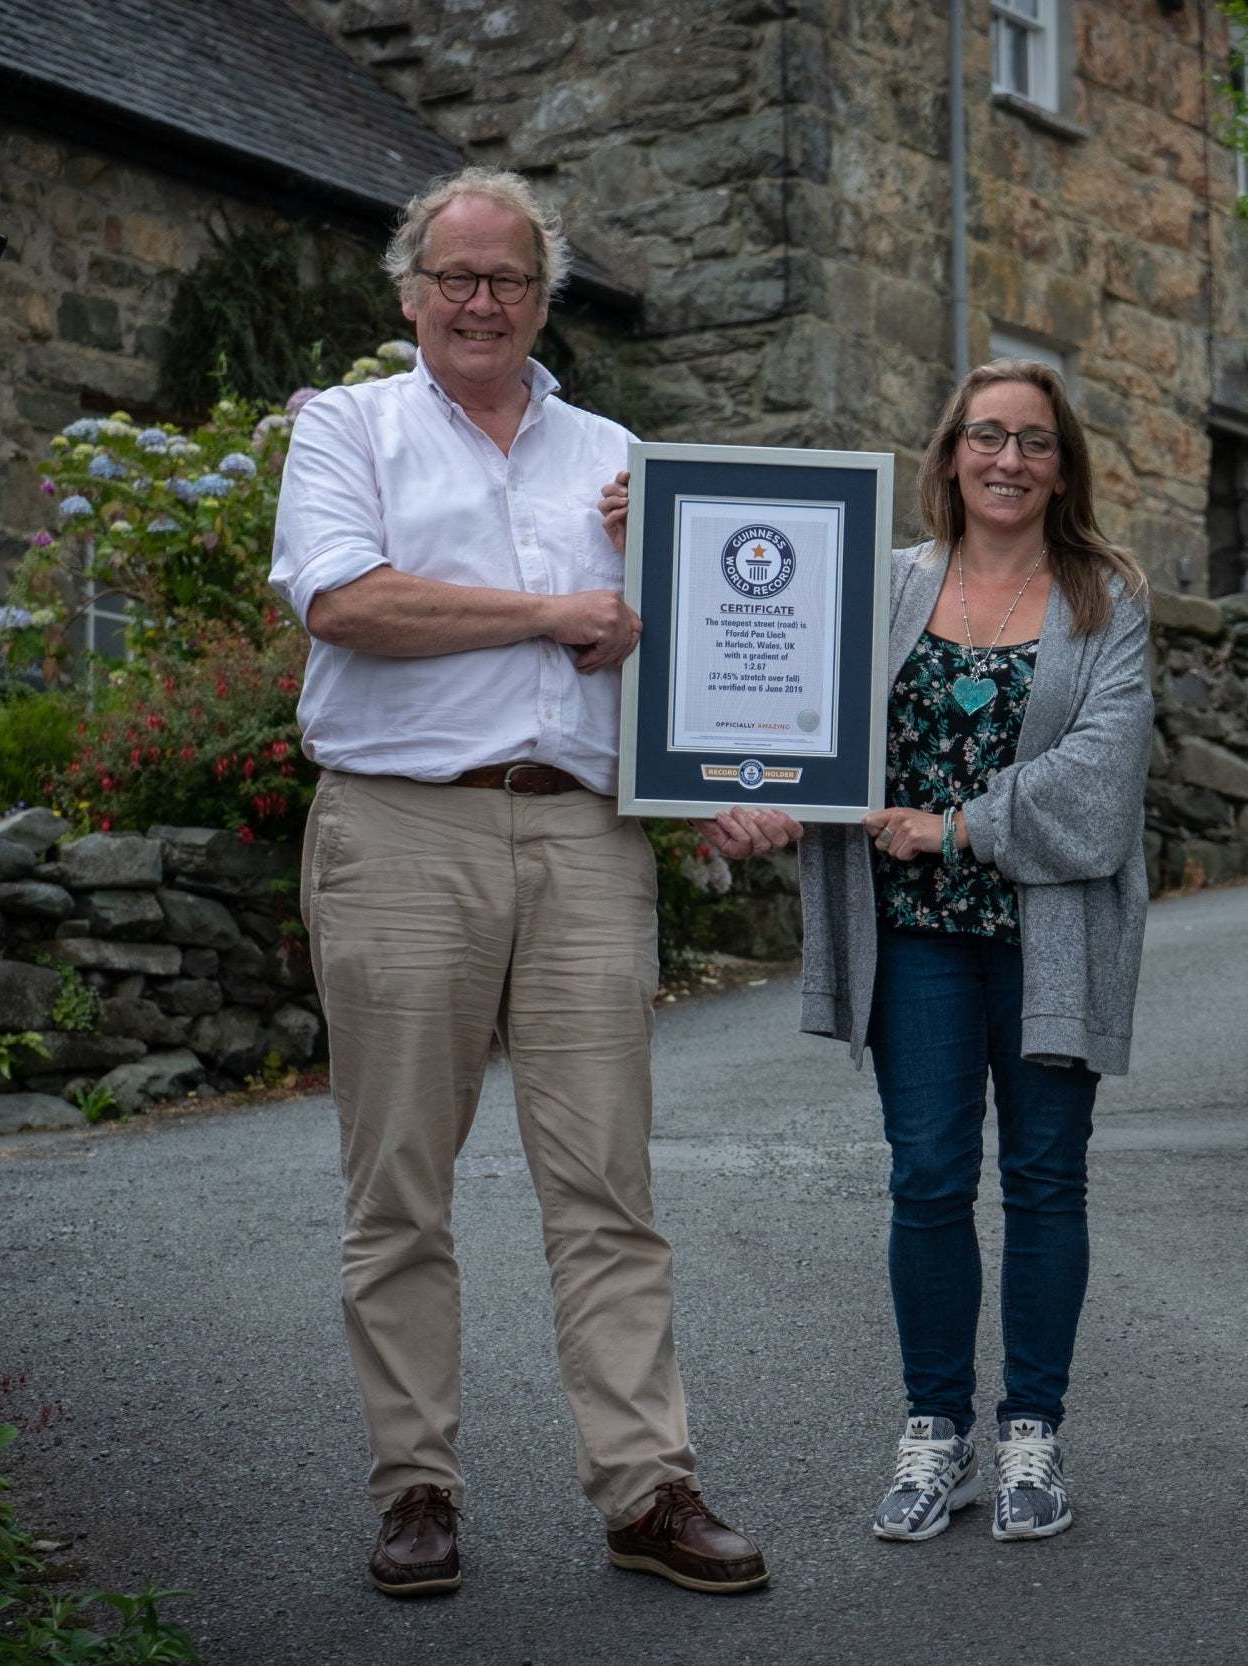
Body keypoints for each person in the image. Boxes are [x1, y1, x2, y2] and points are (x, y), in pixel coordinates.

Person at [269, 168, 766, 1598]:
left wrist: (720, 767)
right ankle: (414, 1485)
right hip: (400, 831)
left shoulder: (613, 452)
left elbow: (679, 640)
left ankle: (646, 1484)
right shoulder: (345, 431)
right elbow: (345, 601)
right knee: (399, 1186)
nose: (481, 302)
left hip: (584, 839)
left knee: (607, 1179)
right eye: (456, 276)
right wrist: (557, 611)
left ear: (546, 299)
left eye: (510, 280)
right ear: (409, 290)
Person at [711, 360, 1154, 1543]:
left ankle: (1031, 1439)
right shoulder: (881, 583)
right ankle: (935, 1433)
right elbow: (792, 706)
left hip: (1050, 937)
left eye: (1036, 443)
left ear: (1065, 467)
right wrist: (748, 794)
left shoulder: (1105, 596)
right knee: (927, 1180)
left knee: (1047, 1181)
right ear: (948, 452)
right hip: (915, 940)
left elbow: (1103, 782)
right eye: (987, 436)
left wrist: (957, 825)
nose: (1009, 460)